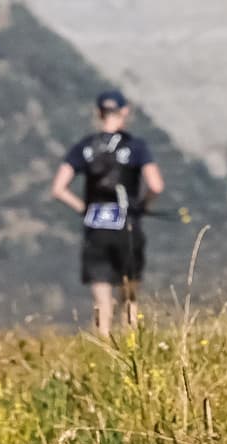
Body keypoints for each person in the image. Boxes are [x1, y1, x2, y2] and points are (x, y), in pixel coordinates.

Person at [51, 89, 163, 337]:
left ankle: (103, 347)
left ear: (99, 113)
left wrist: (83, 208)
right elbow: (156, 185)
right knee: (129, 299)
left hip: (96, 228)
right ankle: (132, 347)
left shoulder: (84, 148)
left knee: (102, 302)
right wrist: (143, 205)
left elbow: (58, 188)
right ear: (124, 112)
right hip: (127, 225)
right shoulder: (136, 147)